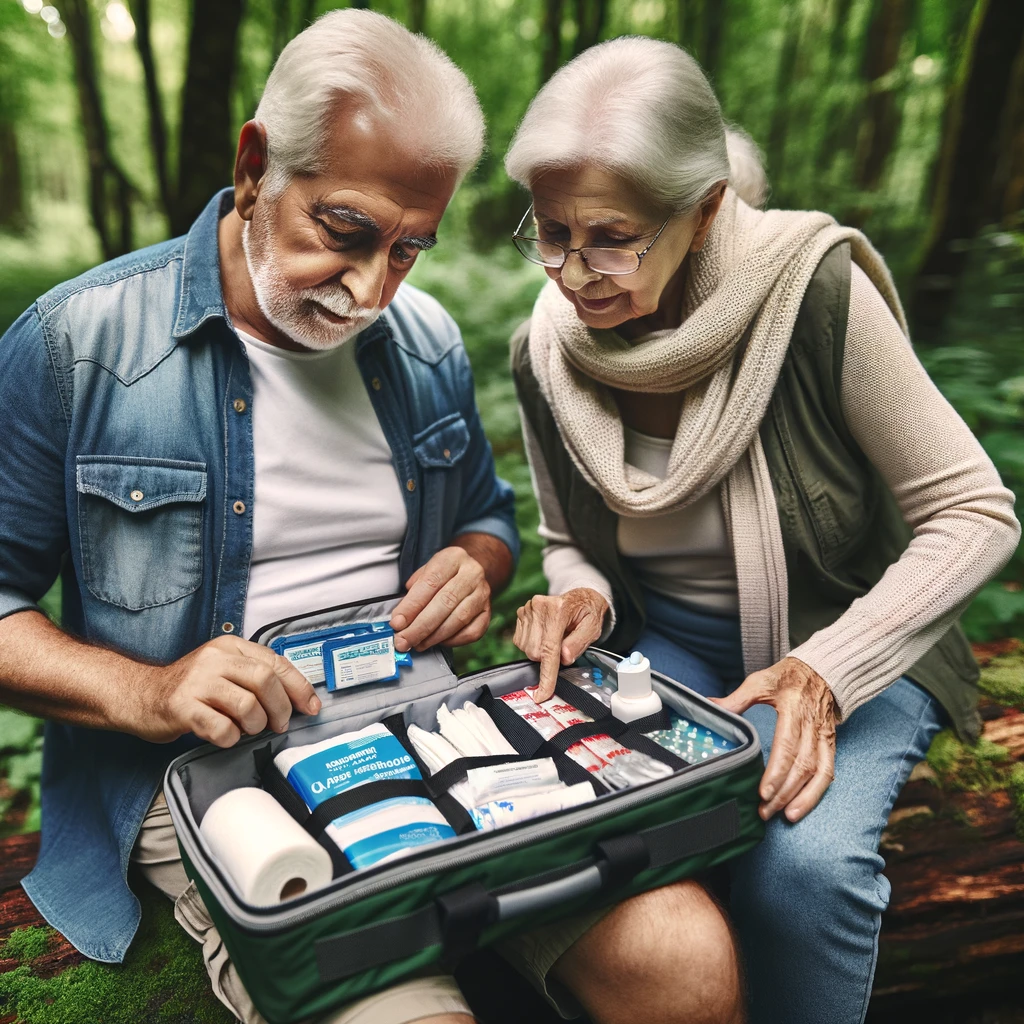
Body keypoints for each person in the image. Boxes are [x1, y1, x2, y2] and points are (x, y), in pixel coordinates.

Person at [0, 14, 743, 1024]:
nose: (367, 290)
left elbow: (485, 518)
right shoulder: (75, 348)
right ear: (255, 164)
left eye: (407, 250)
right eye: (344, 232)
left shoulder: (424, 340)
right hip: (220, 775)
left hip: (438, 725)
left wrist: (475, 564)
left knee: (686, 962)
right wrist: (152, 688)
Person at [505, 35, 1021, 1024]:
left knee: (800, 866)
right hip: (677, 648)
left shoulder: (813, 291)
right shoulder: (547, 350)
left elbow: (974, 511)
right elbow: (569, 536)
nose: (574, 273)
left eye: (611, 236)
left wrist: (827, 672)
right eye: (550, 232)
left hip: (856, 638)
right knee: (574, 823)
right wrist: (578, 595)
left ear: (702, 210)